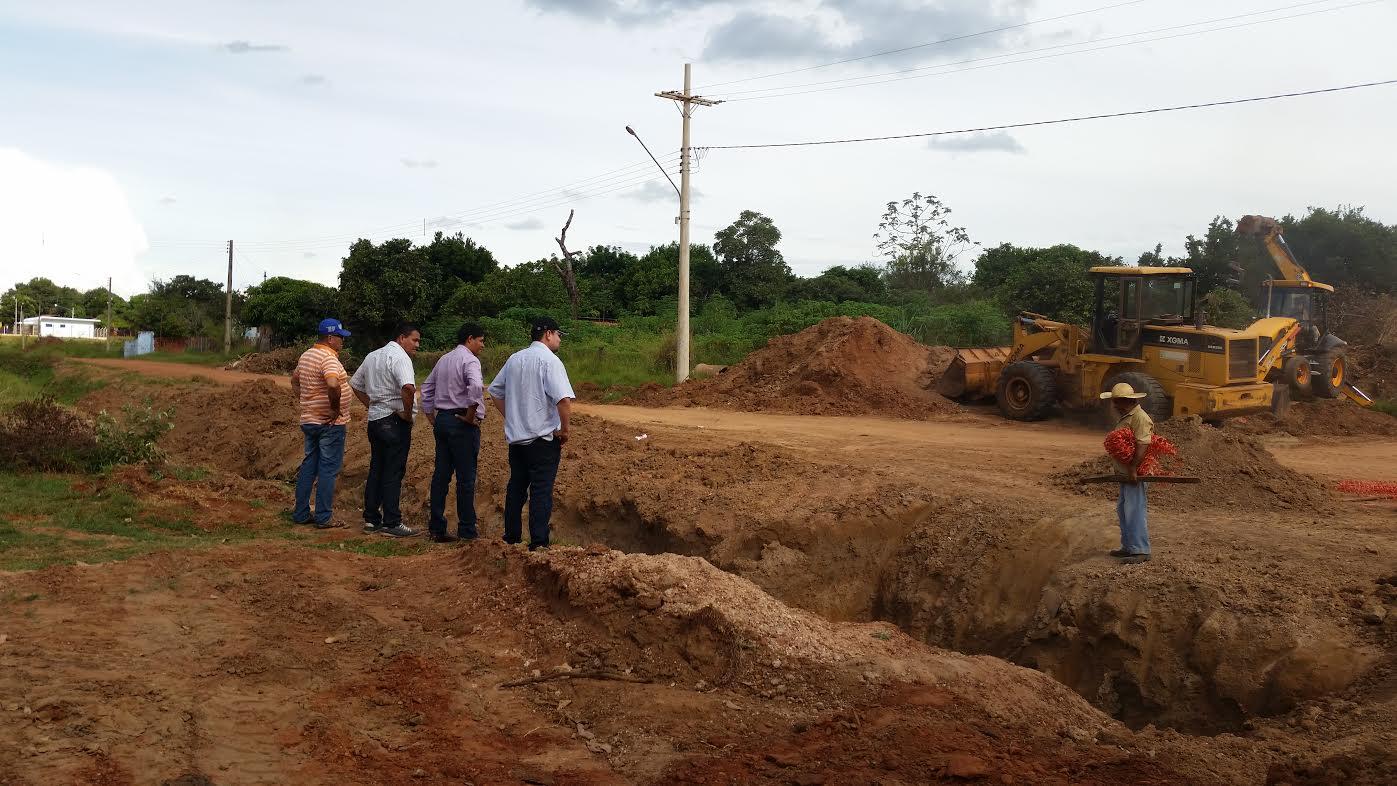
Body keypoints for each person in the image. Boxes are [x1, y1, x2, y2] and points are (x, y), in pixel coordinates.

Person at [487, 317, 575, 551]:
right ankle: (538, 542)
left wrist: (512, 417)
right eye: (557, 334)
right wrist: (565, 431)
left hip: (517, 440)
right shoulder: (550, 361)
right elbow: (564, 400)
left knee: (516, 487)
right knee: (541, 490)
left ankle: (512, 537)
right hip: (543, 440)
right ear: (547, 334)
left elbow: (495, 390)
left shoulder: (515, 359)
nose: (559, 339)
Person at [350, 323, 422, 538]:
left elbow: (355, 384)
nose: (417, 345)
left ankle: (372, 520)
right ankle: (392, 522)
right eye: (415, 340)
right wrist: (407, 415)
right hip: (394, 422)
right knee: (393, 472)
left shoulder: (372, 356)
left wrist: (371, 405)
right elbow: (408, 387)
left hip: (376, 420)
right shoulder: (400, 358)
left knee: (377, 469)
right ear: (402, 338)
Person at [421, 322, 488, 544]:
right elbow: (476, 387)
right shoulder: (470, 360)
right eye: (480, 340)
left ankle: (436, 528)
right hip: (461, 422)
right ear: (470, 339)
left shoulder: (444, 359)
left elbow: (427, 388)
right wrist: (471, 415)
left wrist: (431, 416)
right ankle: (467, 530)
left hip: (443, 421)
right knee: (466, 478)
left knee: (441, 476)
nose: (482, 345)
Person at [289, 318, 353, 529]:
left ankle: (300, 513)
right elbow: (333, 384)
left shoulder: (306, 355)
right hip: (329, 425)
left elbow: (294, 380)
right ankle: (324, 517)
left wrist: (306, 402)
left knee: (309, 466)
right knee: (328, 469)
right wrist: (334, 409)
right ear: (330, 338)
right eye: (340, 338)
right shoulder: (328, 359)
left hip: (310, 421)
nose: (342, 342)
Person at [1100, 382, 1153, 564]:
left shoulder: (1139, 417)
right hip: (1125, 473)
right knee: (1124, 510)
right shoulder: (1126, 416)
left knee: (1134, 509)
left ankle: (1140, 550)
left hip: (1134, 473)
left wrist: (1133, 468)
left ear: (1125, 401)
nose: (1114, 406)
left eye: (1116, 402)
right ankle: (1129, 546)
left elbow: (1143, 443)